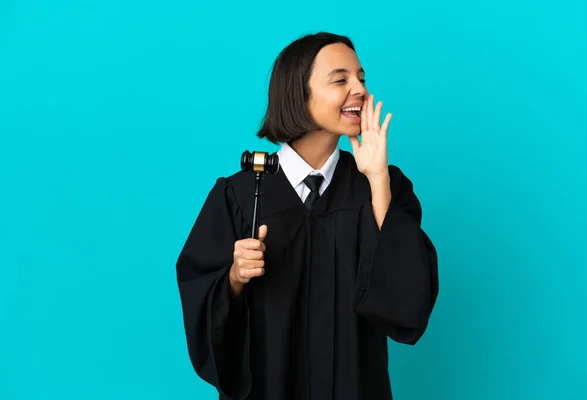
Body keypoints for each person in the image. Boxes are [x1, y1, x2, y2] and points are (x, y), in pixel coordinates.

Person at [176, 32, 439, 400]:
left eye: (361, 78)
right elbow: (204, 306)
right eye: (340, 79)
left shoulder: (381, 186)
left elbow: (409, 303)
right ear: (298, 93)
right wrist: (234, 278)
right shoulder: (238, 195)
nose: (359, 90)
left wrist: (378, 180)